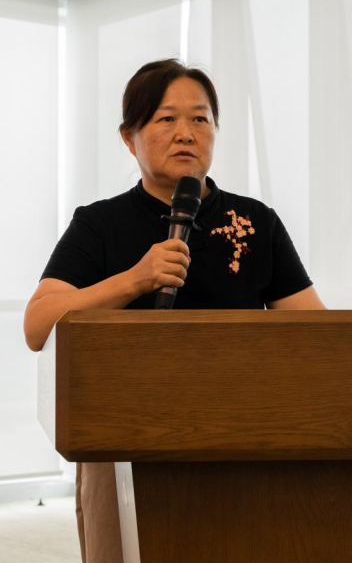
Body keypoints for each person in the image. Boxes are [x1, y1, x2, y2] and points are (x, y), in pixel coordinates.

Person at [23, 59, 326, 563]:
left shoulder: (255, 222)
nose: (186, 132)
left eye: (200, 119)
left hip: (242, 437)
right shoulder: (99, 224)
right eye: (166, 119)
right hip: (124, 439)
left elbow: (318, 332)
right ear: (129, 138)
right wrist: (134, 280)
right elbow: (38, 324)